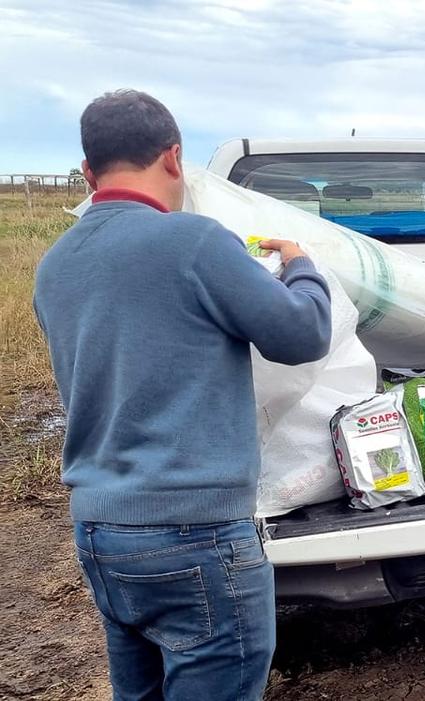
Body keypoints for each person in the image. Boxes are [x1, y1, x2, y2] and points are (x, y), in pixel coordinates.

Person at [32, 89, 332, 700]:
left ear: (88, 173)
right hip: (194, 534)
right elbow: (303, 334)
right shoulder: (194, 243)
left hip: (100, 531)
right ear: (173, 158)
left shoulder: (56, 263)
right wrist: (301, 265)